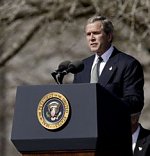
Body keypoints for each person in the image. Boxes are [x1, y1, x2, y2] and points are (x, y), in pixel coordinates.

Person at [73, 15, 144, 114]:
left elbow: (135, 102)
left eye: (96, 33)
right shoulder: (82, 66)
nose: (91, 38)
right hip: (85, 125)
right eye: (88, 34)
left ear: (109, 36)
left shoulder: (127, 64)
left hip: (112, 126)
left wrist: (106, 102)